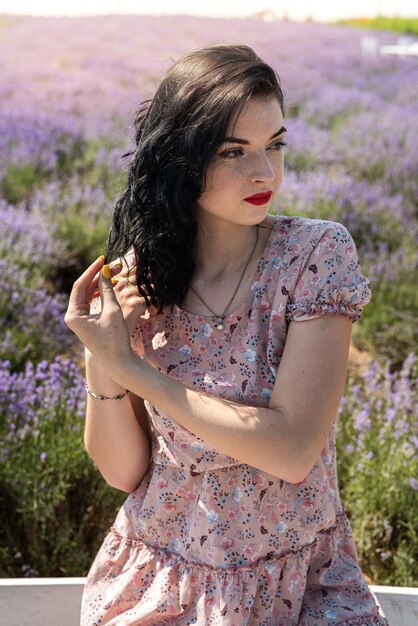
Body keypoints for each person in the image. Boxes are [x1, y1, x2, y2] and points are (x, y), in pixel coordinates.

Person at [65, 44, 390, 625]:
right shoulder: (143, 278)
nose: (264, 173)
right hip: (160, 581)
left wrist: (134, 369)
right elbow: (123, 473)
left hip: (294, 588)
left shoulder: (314, 256)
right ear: (180, 160)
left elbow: (292, 450)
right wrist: (102, 360)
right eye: (233, 152)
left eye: (275, 145)